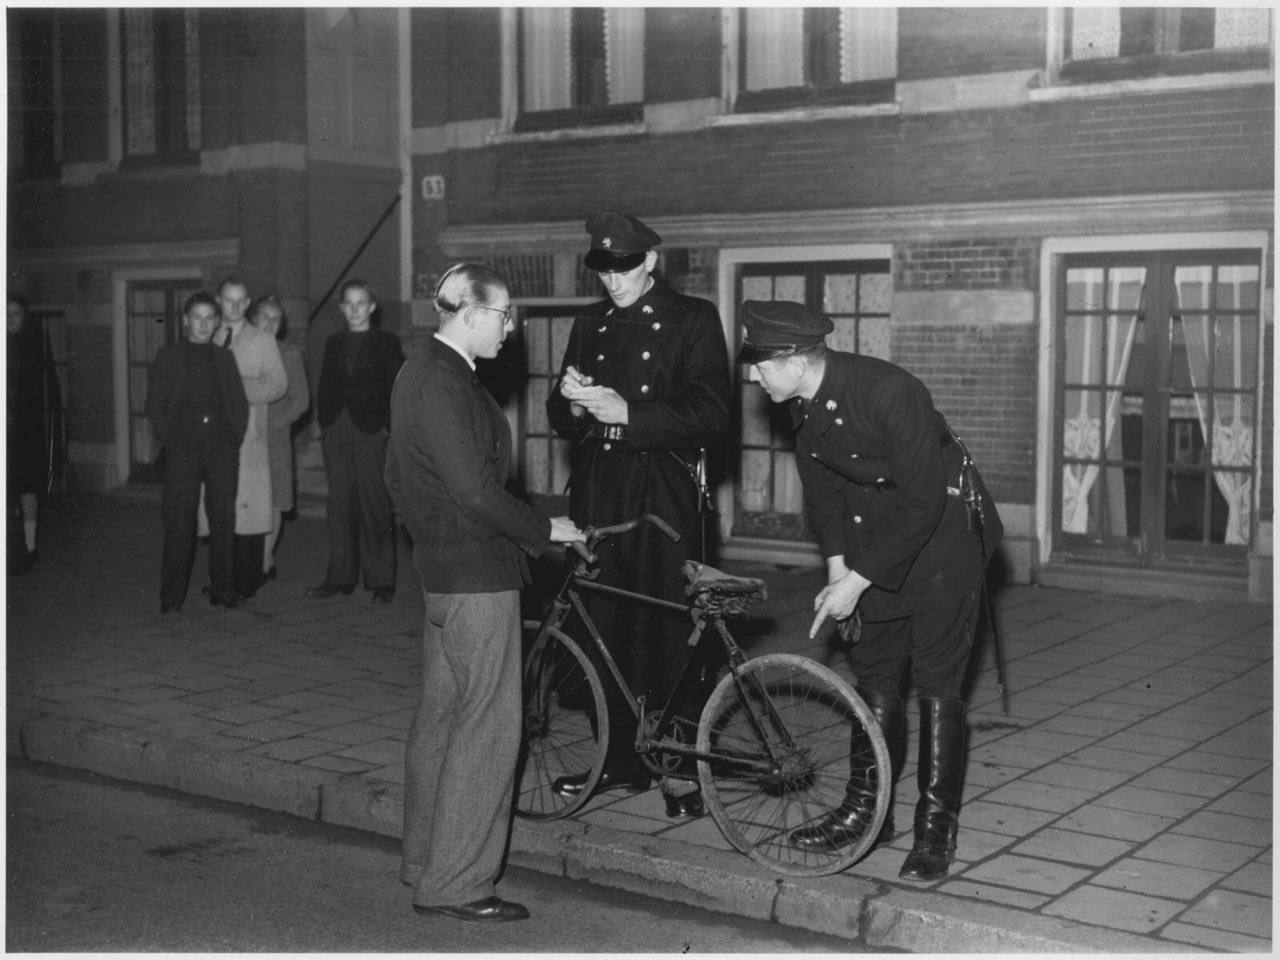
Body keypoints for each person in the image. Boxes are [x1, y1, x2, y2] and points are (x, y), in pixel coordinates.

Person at [734, 299, 1002, 883]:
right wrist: (838, 574)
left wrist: (857, 581)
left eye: (760, 365)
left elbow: (923, 501)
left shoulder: (890, 391)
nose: (753, 377)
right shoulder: (803, 406)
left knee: (937, 686)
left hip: (942, 549)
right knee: (877, 678)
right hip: (873, 545)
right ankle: (867, 814)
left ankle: (935, 829)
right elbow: (825, 496)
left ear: (794, 360)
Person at [386, 262, 584, 922]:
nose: (510, 327)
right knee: (489, 726)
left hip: (443, 573)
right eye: (503, 316)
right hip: (478, 577)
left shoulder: (417, 373)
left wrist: (429, 539)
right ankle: (458, 883)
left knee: (441, 719)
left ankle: (425, 860)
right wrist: (543, 528)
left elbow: (396, 478)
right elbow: (474, 490)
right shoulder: (447, 382)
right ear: (471, 315)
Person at [546, 211, 731, 820]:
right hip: (601, 494)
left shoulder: (692, 318)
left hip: (663, 499)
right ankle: (618, 761)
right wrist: (573, 403)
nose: (613, 282)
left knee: (671, 632)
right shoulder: (590, 322)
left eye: (624, 268)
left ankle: (682, 771)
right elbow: (559, 416)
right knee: (604, 627)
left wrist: (628, 412)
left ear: (651, 260)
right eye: (603, 271)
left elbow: (712, 415)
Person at [146, 292, 248, 612]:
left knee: (223, 520)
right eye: (197, 318)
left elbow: (238, 405)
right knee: (179, 523)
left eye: (209, 318)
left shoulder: (224, 358)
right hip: (183, 450)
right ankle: (171, 598)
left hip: (220, 449)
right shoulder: (169, 356)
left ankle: (223, 590)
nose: (203, 324)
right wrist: (172, 440)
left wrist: (232, 439)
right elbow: (155, 405)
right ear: (186, 320)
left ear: (217, 322)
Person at [307, 279, 404, 604]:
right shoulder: (333, 342)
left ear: (372, 306)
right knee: (339, 504)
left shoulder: (386, 341)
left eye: (360, 302)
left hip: (371, 430)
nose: (354, 309)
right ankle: (340, 577)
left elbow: (396, 388)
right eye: (348, 303)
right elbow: (325, 384)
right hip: (337, 429)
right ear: (341, 307)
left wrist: (387, 429)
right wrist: (325, 424)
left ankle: (381, 579)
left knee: (374, 502)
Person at [213, 276, 287, 600]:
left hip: (248, 438)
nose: (234, 306)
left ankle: (246, 581)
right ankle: (222, 579)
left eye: (240, 300)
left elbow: (278, 384)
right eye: (228, 300)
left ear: (247, 304)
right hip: (213, 439)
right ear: (219, 302)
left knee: (248, 512)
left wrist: (238, 387)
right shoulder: (210, 335)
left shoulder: (262, 340)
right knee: (220, 509)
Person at [248, 294, 310, 582]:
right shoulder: (241, 351)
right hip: (245, 438)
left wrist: (279, 423)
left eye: (277, 319)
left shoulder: (289, 354)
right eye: (265, 317)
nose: (271, 323)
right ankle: (254, 557)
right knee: (248, 499)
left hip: (274, 438)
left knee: (274, 500)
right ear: (253, 319)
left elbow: (301, 399)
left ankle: (264, 558)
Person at [7, 294, 61, 576]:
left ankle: (29, 548)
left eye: (15, 313)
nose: (9, 318)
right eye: (6, 313)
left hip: (24, 431)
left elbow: (41, 393)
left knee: (27, 490)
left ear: (24, 317)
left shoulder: (31, 349)